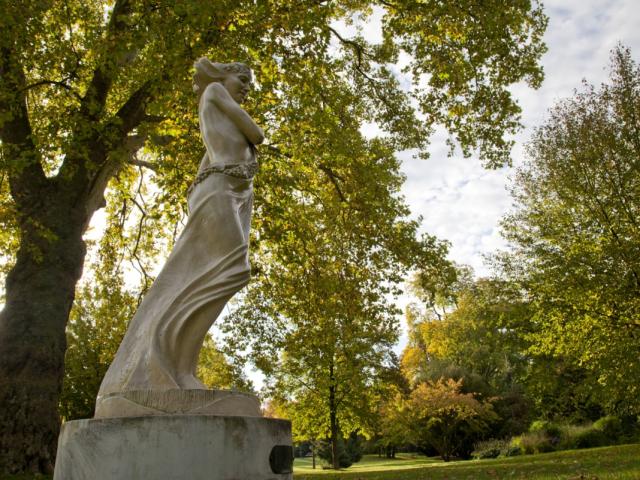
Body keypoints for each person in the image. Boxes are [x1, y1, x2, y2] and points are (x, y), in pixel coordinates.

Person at [97, 60, 264, 401]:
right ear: (222, 75)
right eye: (242, 79)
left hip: (230, 192)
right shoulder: (215, 91)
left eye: (250, 83)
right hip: (221, 191)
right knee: (233, 270)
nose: (247, 87)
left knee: (219, 274)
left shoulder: (218, 111)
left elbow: (211, 154)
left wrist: (201, 188)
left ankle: (179, 366)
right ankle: (175, 364)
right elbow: (257, 134)